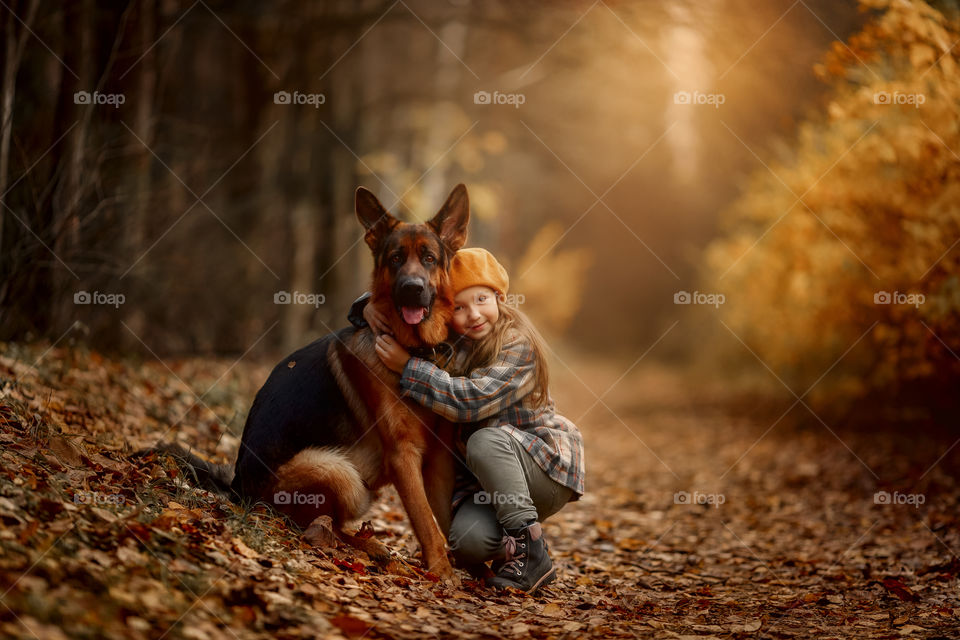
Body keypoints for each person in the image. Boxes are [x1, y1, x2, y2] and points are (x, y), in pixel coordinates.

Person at [349, 248, 585, 593]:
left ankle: (532, 551)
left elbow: (469, 401)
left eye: (482, 299)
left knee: (485, 439)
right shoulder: (453, 343)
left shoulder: (517, 344)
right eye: (458, 307)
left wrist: (408, 367)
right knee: (467, 542)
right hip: (491, 486)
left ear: (499, 297)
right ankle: (510, 548)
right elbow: (408, 296)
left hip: (543, 472)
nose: (473, 314)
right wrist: (366, 307)